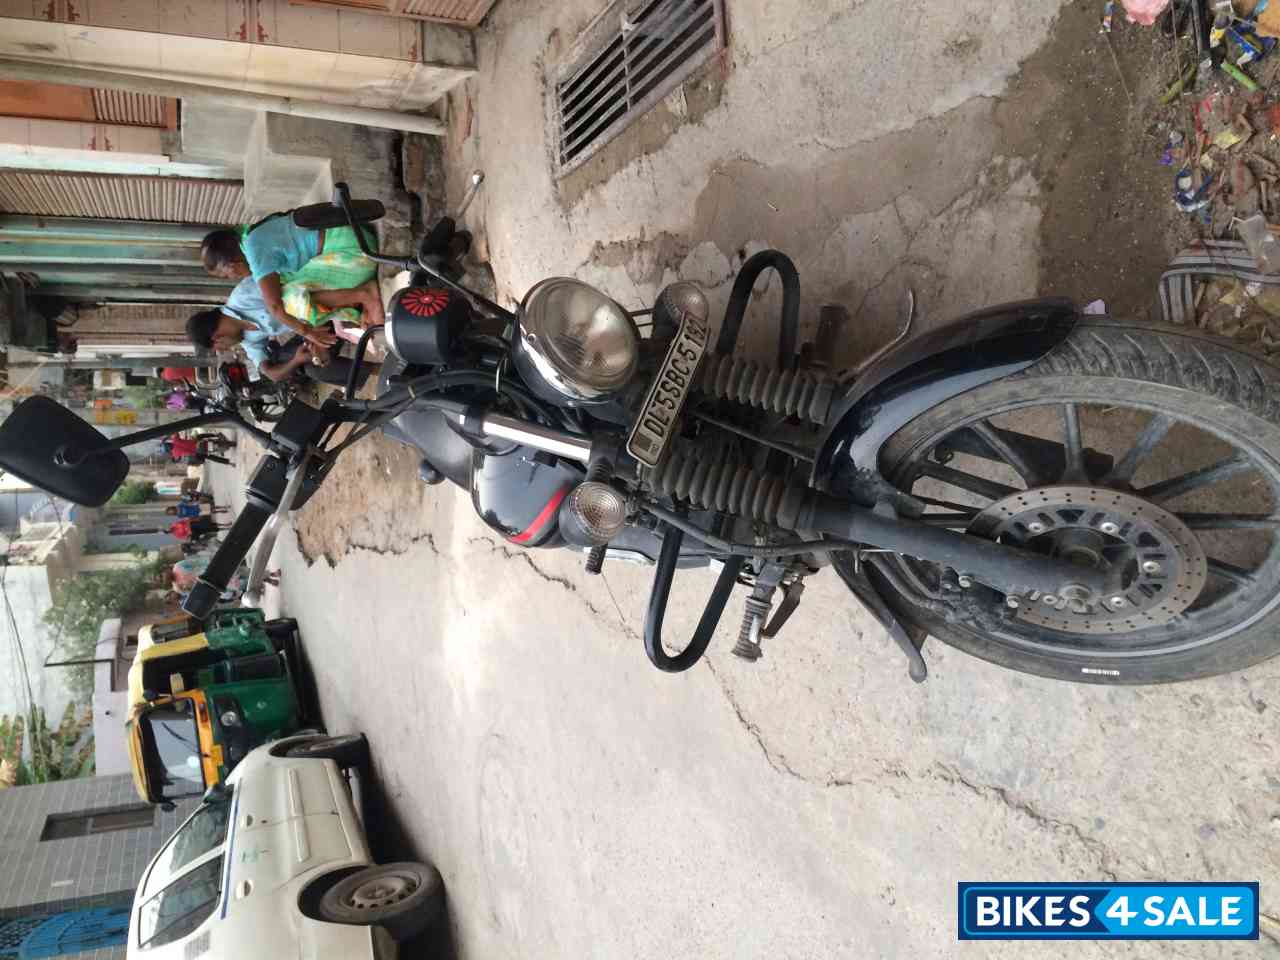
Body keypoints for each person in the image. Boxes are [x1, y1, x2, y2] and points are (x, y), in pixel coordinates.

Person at [200, 215, 383, 347]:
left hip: (355, 251)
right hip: (349, 247)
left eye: (226, 275)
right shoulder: (251, 240)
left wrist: (307, 332)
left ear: (232, 264)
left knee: (290, 302)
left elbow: (275, 307)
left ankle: (366, 294)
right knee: (294, 294)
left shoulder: (254, 249)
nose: (232, 278)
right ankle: (361, 303)